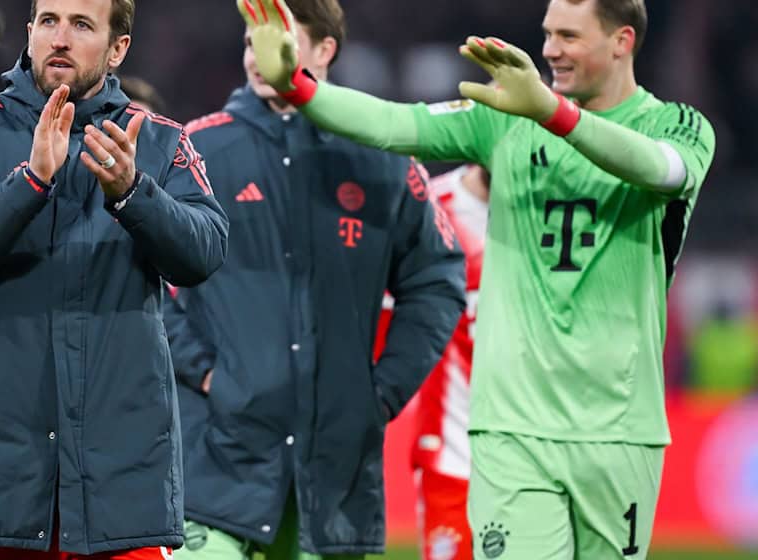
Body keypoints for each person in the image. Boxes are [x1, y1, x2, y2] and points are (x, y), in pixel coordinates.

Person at [239, 0, 716, 558]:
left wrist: (553, 113)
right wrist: (299, 87)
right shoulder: (507, 119)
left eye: (568, 36)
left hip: (621, 427)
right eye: (547, 34)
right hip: (513, 427)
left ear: (622, 41)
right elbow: (394, 123)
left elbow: (661, 170)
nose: (550, 50)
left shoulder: (677, 125)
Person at [0, 0, 228, 557]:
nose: (60, 37)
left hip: (120, 485)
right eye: (49, 21)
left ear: (117, 48)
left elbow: (204, 253)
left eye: (82, 25)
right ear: (30, 32)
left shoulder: (160, 142)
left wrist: (133, 193)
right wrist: (29, 182)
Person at [165, 1, 466, 558]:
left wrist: (381, 392)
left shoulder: (382, 156)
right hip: (217, 462)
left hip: (335, 475)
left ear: (325, 50)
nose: (259, 56)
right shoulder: (194, 152)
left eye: (278, 41)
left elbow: (437, 279)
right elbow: (141, 271)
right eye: (252, 41)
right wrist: (203, 370)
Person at [374, 164, 489, 560]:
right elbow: (381, 322)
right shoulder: (429, 207)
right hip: (453, 455)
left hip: (539, 454)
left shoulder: (554, 213)